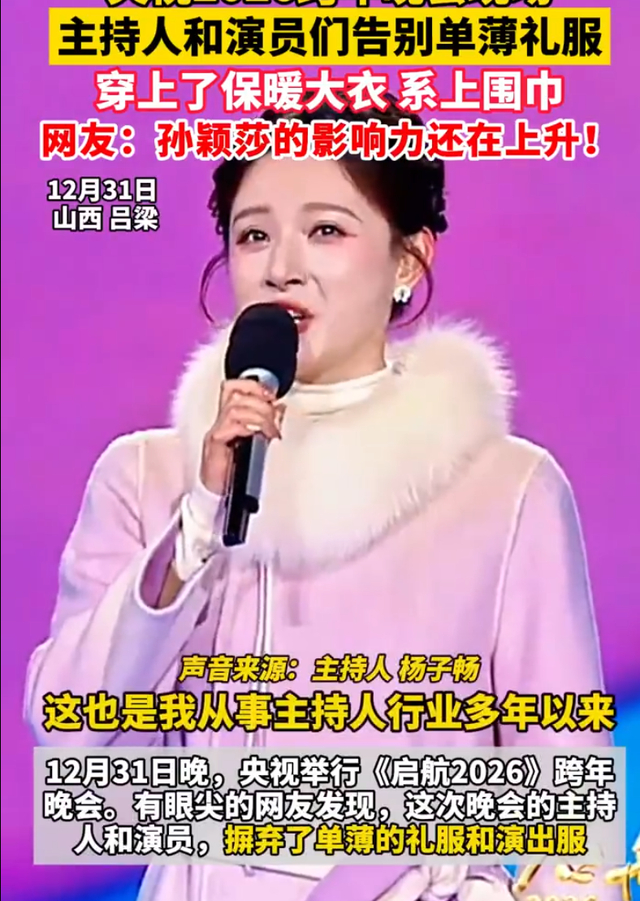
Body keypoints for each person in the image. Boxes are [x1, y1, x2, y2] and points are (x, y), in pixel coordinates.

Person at [26, 97, 614, 901]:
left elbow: (573, 821)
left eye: (327, 230)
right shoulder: (146, 478)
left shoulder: (507, 490)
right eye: (253, 235)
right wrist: (198, 525)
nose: (282, 266)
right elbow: (71, 742)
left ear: (409, 259)